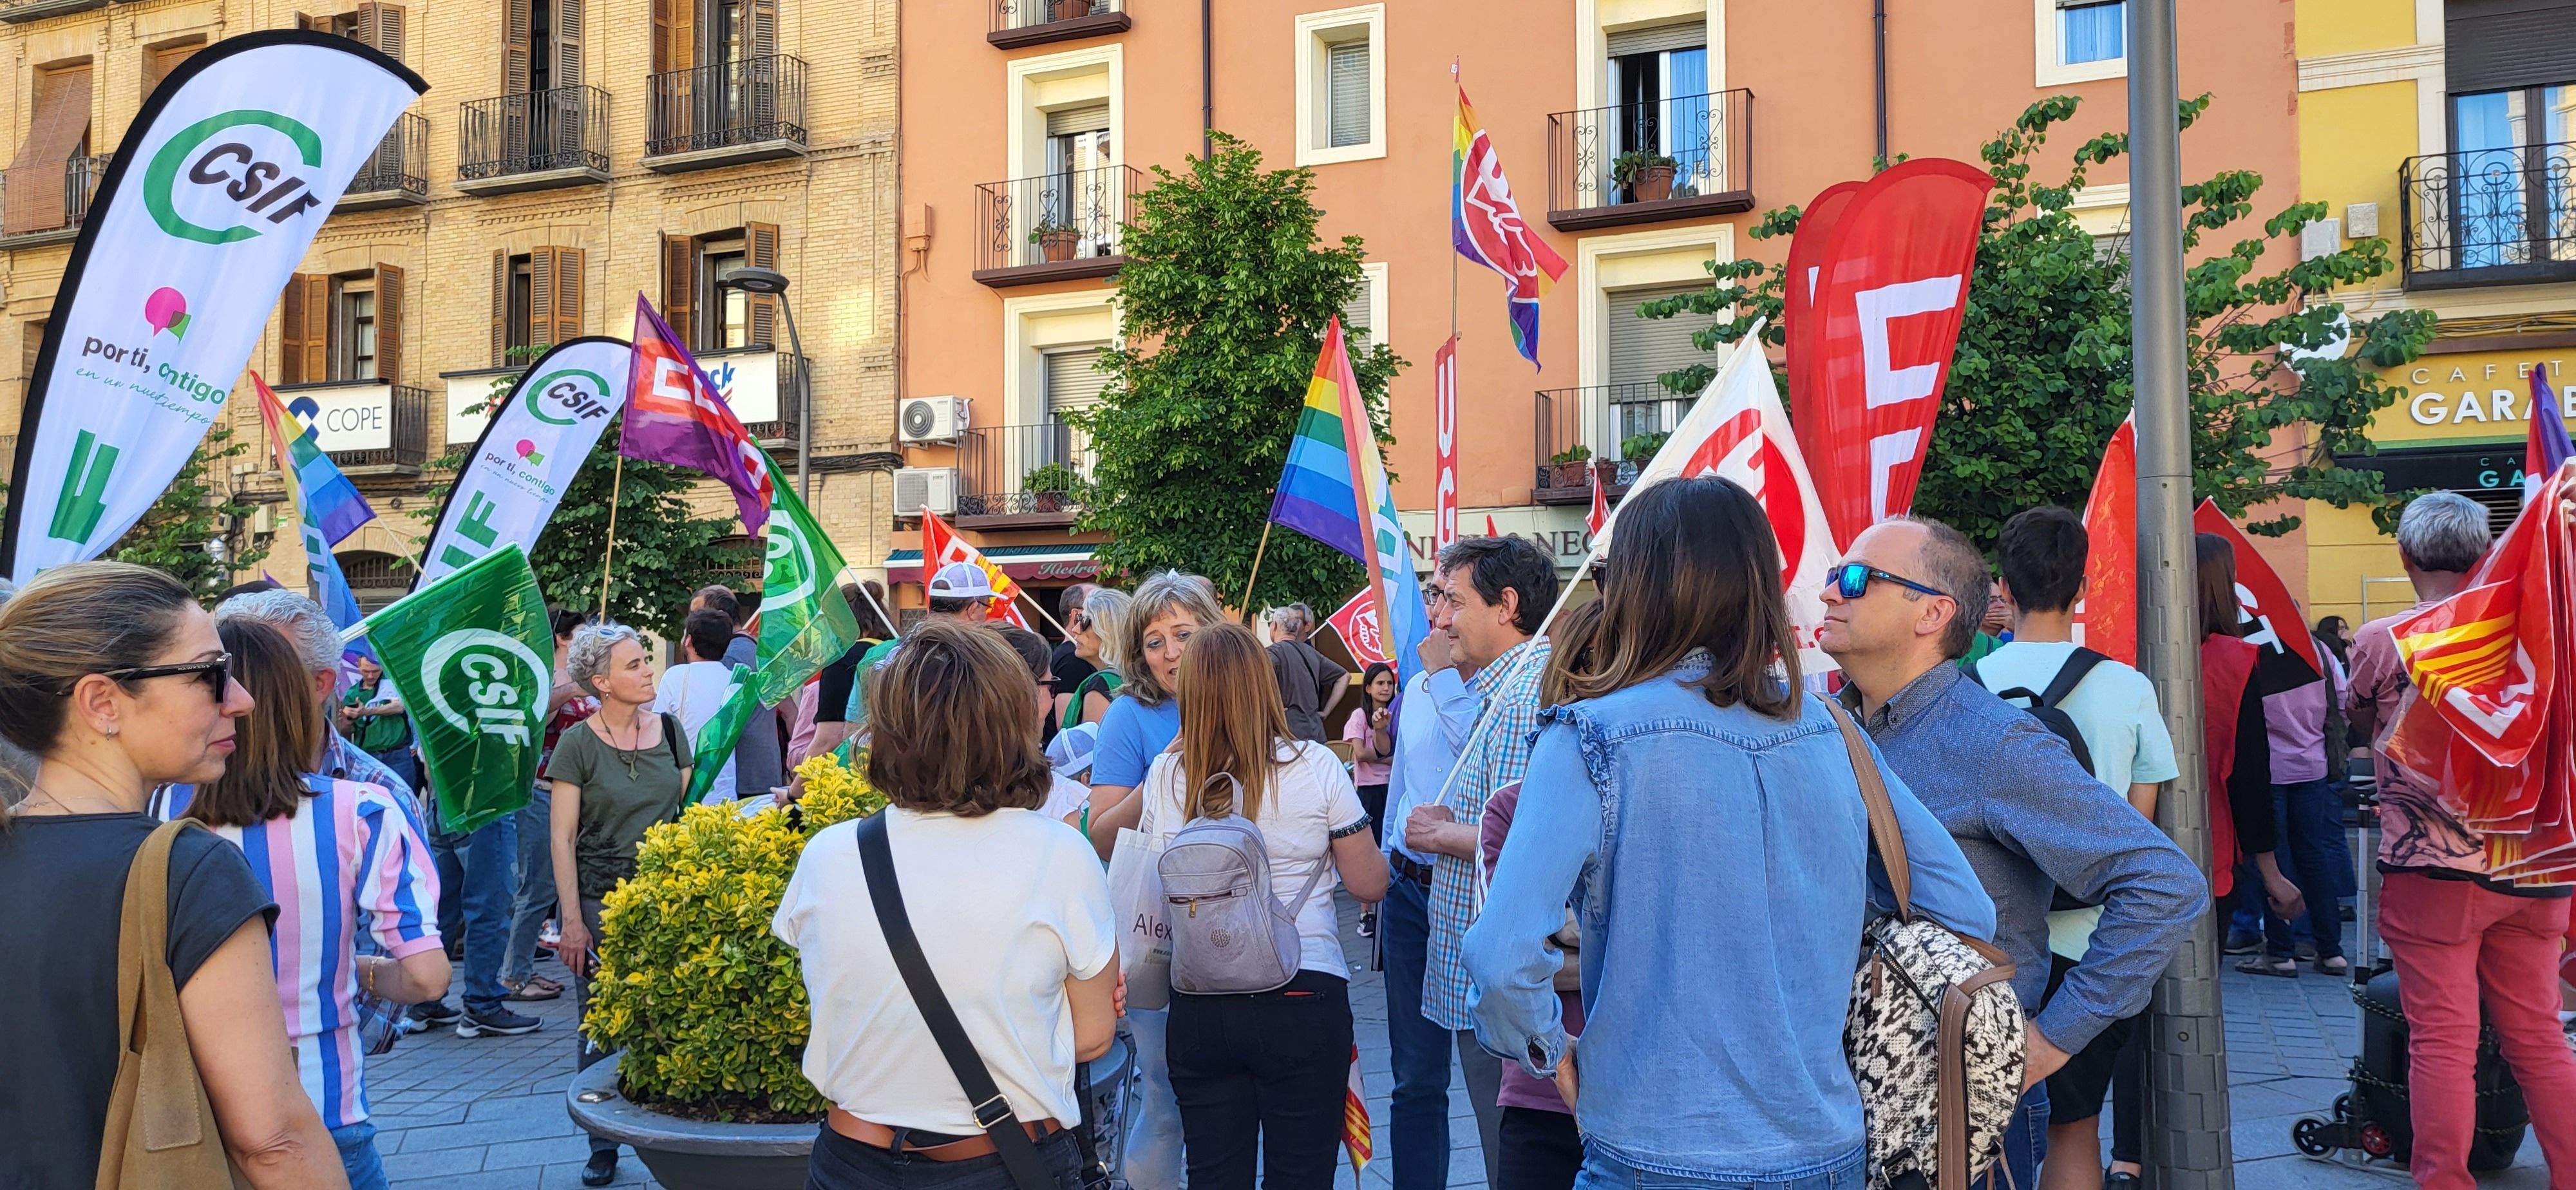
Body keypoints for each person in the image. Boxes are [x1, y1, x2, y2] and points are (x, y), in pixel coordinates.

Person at [1466, 477, 1996, 1190]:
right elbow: (1964, 910)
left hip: (1655, 1145)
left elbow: (1501, 956)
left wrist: (1548, 1052)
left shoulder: (1592, 736)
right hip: (1825, 1143)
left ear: (1635, 587)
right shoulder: (1831, 728)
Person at [1817, 516, 2207, 1190]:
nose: (1830, 593)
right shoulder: (1831, 726)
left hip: (1957, 1101)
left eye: (1854, 579)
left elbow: (2164, 884)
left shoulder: (1994, 742)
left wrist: (2050, 1040)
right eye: (1833, 577)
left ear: (1932, 613)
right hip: (1848, 1089)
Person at [0, 561, 344, 1187]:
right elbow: (273, 1140)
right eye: (211, 676)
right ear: (102, 702)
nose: (242, 700)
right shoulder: (187, 872)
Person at [772, 619, 1117, 1189]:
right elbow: (1093, 1034)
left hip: (851, 1159)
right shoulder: (1058, 852)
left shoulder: (829, 854)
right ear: (1008, 723)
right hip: (1003, 1162)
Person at [2347, 491, 2576, 1190]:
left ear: (2404, 555)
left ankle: (2444, 1180)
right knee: (2539, 1036)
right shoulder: (2537, 635)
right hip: (2534, 869)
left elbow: (2358, 725)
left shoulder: (2385, 640)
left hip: (2433, 875)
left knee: (2442, 1040)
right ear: (2484, 554)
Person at [185, 619, 451, 1189]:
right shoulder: (362, 810)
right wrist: (351, 970)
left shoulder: (161, 811)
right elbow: (428, 979)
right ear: (298, 698)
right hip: (324, 1108)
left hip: (196, 1117)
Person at [1133, 621, 1388, 1187]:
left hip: (1200, 1000)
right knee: (1302, 1175)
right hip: (1304, 987)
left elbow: (1151, 883)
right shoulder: (1316, 766)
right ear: (1264, 685)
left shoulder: (1168, 776)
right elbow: (1369, 884)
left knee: (1213, 1175)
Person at [1979, 507, 2181, 1190]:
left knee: (1982, 1129)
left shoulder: (1962, 691)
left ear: (2001, 588)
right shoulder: (2127, 686)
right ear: (2083, 586)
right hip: (2091, 946)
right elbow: (2138, 830)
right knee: (2073, 1128)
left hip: (1990, 943)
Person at [1411, 535, 1559, 1187]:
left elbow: (1528, 844)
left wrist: (1444, 837)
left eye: (1451, 600)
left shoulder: (1525, 695)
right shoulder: (1503, 687)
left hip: (1503, 991)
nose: (1439, 618)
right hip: (1487, 983)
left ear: (1505, 605)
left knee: (1513, 1163)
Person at [1081, 569, 1224, 1189]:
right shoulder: (1129, 717)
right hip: (1160, 930)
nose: (1171, 653)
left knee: (1238, 1105)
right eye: (1155, 640)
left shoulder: (1245, 699)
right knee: (1165, 1103)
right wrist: (1167, 771)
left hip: (1244, 931)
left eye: (1185, 635)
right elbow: (1101, 833)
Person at [549, 621, 696, 1187]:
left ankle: (668, 1127)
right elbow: (561, 838)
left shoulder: (672, 731)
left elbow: (680, 812)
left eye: (645, 662)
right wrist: (571, 923)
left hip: (663, 901)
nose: (647, 671)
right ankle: (601, 1141)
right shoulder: (577, 744)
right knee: (600, 1024)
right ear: (601, 682)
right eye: (634, 664)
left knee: (667, 1016)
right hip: (600, 902)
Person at [1376, 585, 1482, 1190]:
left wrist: (1444, 678)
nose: (1435, 614)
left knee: (1495, 1072)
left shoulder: (1502, 689)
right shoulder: (1417, 688)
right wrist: (1388, 858)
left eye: (1447, 599)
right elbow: (1405, 786)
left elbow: (1480, 754)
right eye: (1435, 598)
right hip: (1410, 894)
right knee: (1415, 1076)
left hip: (1473, 892)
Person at [500, 608, 592, 1004]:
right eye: (582, 634)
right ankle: (513, 977)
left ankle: (524, 968)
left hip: (577, 796)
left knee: (559, 884)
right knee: (537, 886)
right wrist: (574, 688)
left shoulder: (583, 680)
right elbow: (537, 717)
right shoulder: (546, 679)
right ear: (560, 638)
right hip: (543, 792)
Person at [692, 585, 782, 798]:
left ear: (720, 618)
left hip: (745, 776)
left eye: (698, 616)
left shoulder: (733, 657)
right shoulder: (754, 649)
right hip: (759, 772)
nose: (691, 625)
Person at [1000, 624, 1093, 823]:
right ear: (1023, 695)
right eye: (1052, 687)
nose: (1053, 699)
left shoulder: (938, 789)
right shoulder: (1063, 802)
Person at [653, 609, 744, 804]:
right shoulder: (736, 682)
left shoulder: (675, 676)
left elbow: (656, 726)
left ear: (688, 641)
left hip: (683, 784)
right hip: (724, 786)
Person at [811, 581, 895, 763]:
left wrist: (794, 790)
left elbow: (827, 742)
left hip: (861, 772)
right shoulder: (900, 653)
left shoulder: (842, 663)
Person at [1267, 602, 1350, 745]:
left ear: (1274, 626)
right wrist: (1326, 712)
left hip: (1286, 736)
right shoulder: (1312, 654)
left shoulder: (1269, 655)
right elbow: (1344, 676)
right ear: (1297, 628)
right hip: (1316, 735)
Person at [1057, 587, 1130, 732]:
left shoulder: (1101, 686)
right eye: (1078, 619)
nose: (1076, 629)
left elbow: (1091, 753)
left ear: (1108, 630)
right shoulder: (1141, 677)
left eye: (1084, 621)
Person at [1343, 661, 1398, 844]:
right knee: (1371, 840)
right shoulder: (1360, 715)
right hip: (1369, 787)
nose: (1386, 688)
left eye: (1390, 683)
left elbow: (1401, 756)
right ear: (1368, 688)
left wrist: (1379, 757)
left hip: (1392, 784)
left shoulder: (1397, 714)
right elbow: (1360, 753)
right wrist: (1387, 757)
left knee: (1390, 838)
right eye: (1380, 683)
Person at [337, 656, 413, 785]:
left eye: (375, 671)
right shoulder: (352, 694)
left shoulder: (390, 683)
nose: (371, 676)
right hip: (369, 756)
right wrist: (346, 722)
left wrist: (366, 712)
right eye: (366, 671)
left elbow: (399, 707)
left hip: (398, 754)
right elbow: (347, 733)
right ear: (359, 666)